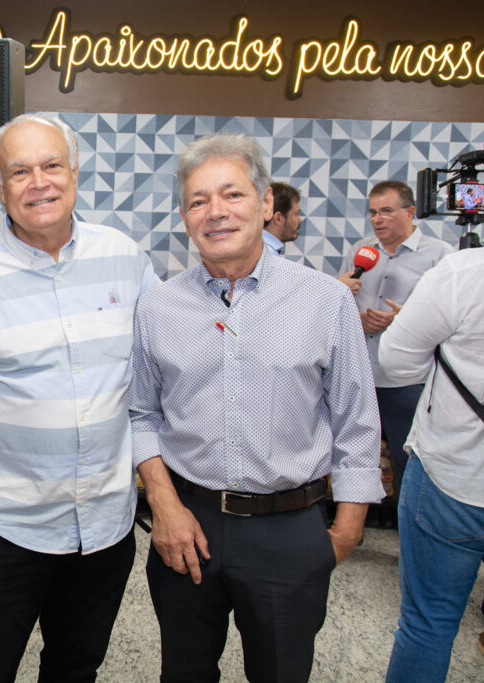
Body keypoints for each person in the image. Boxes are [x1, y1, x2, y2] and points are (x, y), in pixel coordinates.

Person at [129, 132, 384, 682]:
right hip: (185, 524)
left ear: (266, 203)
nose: (215, 212)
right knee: (184, 672)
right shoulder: (157, 307)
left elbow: (357, 421)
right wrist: (165, 507)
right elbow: (141, 414)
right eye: (198, 201)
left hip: (289, 527)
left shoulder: (326, 300)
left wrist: (344, 531)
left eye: (233, 195)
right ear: (184, 215)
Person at [0, 113, 161, 682]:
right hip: (7, 527)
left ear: (75, 173)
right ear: (1, 187)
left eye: (52, 165)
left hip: (106, 525)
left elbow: (163, 371)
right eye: (19, 171)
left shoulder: (126, 259)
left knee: (76, 666)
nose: (39, 182)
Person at [379, 247, 484, 682]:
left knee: (429, 624)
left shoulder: (465, 270)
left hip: (452, 477)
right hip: (452, 479)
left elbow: (396, 359)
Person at [338, 180, 453, 497]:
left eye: (386, 211)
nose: (377, 219)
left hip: (407, 380)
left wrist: (402, 320)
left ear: (410, 212)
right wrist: (353, 315)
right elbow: (339, 306)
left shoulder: (440, 255)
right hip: (359, 375)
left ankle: (409, 536)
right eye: (373, 212)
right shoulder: (360, 251)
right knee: (352, 457)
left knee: (410, 460)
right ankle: (350, 530)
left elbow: (449, 319)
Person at [261, 181, 302, 254]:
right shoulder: (268, 255)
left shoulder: (256, 249)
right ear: (278, 218)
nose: (300, 220)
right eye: (296, 214)